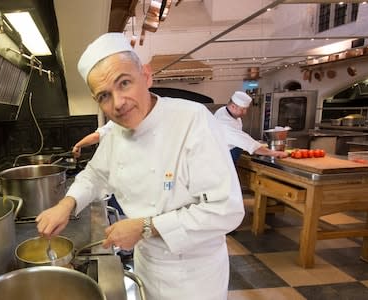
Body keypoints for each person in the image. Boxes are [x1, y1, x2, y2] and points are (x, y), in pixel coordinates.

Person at [36, 32, 244, 300]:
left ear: (146, 76)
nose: (118, 103)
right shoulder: (116, 133)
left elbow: (226, 210)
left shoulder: (193, 120)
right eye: (104, 96)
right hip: (146, 262)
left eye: (124, 83)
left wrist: (144, 227)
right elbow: (95, 174)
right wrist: (66, 204)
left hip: (194, 276)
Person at [214, 91, 288, 163]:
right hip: (223, 160)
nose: (245, 113)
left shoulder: (225, 111)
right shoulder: (224, 122)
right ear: (233, 106)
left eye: (246, 109)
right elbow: (249, 144)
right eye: (242, 109)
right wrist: (275, 153)